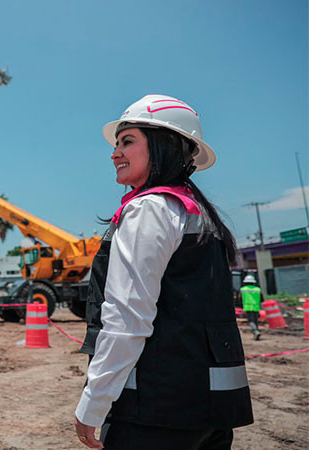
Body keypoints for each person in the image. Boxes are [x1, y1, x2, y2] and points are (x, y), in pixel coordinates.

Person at [74, 95, 253, 449]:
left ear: (163, 146)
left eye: (127, 141)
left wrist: (94, 402)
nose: (114, 153)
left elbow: (128, 317)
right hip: (211, 409)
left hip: (156, 410)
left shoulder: (149, 209)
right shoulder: (198, 213)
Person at [240, 274, 263, 340]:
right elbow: (262, 299)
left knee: (251, 321)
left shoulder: (243, 289)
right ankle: (256, 334)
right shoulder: (258, 289)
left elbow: (239, 299)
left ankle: (256, 332)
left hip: (247, 307)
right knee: (255, 321)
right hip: (256, 307)